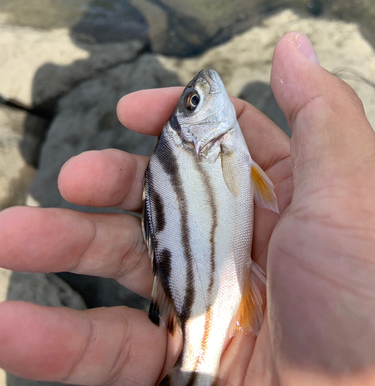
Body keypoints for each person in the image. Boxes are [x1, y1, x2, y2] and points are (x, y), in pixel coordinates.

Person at [0, 31, 375, 386]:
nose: (203, 89)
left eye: (191, 102)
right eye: (194, 102)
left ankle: (192, 370)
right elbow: (256, 188)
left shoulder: (217, 147)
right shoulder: (218, 147)